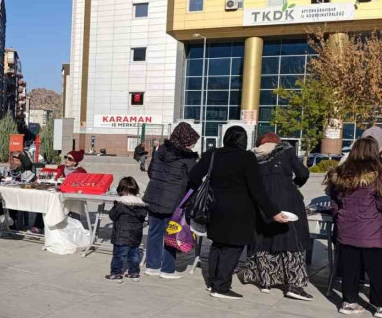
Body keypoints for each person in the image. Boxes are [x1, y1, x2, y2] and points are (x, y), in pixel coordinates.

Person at [189, 126, 291, 300]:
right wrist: (273, 212)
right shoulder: (247, 157)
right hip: (239, 211)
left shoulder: (212, 154)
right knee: (233, 247)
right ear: (243, 141)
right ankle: (221, 287)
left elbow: (193, 177)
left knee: (218, 244)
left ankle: (213, 282)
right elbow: (257, 188)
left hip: (214, 208)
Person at [241, 133, 313, 301]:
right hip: (287, 201)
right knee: (290, 240)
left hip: (262, 202)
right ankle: (294, 285)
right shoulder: (286, 151)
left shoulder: (253, 156)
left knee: (263, 239)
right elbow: (302, 173)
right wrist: (294, 184)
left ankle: (265, 281)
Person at [324, 137, 382, 316]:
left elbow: (333, 201)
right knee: (377, 271)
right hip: (373, 231)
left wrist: (339, 215)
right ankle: (379, 305)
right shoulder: (378, 174)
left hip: (346, 229)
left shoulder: (341, 173)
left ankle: (348, 302)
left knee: (350, 269)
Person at [142, 123, 200, 279]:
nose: (193, 144)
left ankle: (152, 266)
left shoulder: (160, 150)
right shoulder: (187, 157)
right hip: (173, 200)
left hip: (154, 195)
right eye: (192, 141)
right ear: (185, 139)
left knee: (154, 232)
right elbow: (194, 180)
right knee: (172, 233)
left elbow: (151, 171)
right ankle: (167, 269)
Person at [106, 177, 147, 282]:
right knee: (134, 255)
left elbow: (112, 216)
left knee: (119, 255)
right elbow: (143, 216)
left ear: (122, 190)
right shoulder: (141, 205)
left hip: (121, 235)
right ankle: (134, 273)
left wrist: (114, 206)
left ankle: (116, 273)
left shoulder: (120, 203)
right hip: (135, 235)